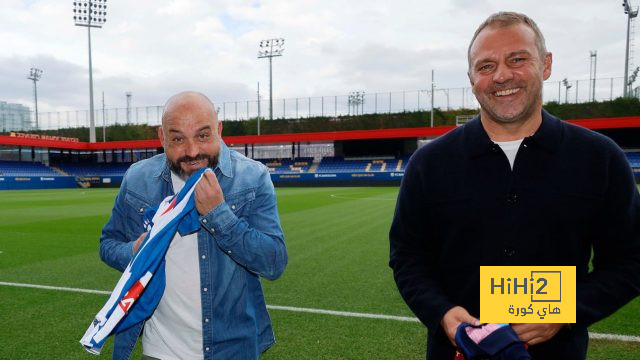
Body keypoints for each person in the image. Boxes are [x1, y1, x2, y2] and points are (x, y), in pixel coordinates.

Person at [389, 11, 640, 359]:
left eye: (517, 59)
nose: (502, 75)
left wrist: (564, 312)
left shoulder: (600, 158)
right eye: (486, 66)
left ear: (546, 64)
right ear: (472, 77)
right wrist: (442, 314)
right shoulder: (429, 163)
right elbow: (407, 256)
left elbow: (630, 260)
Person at [99, 91, 287, 359]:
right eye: (177, 139)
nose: (192, 151)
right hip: (159, 351)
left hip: (232, 350)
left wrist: (219, 215)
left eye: (203, 135)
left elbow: (274, 262)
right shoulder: (138, 179)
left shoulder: (252, 178)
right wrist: (133, 251)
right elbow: (108, 244)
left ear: (219, 130)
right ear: (162, 138)